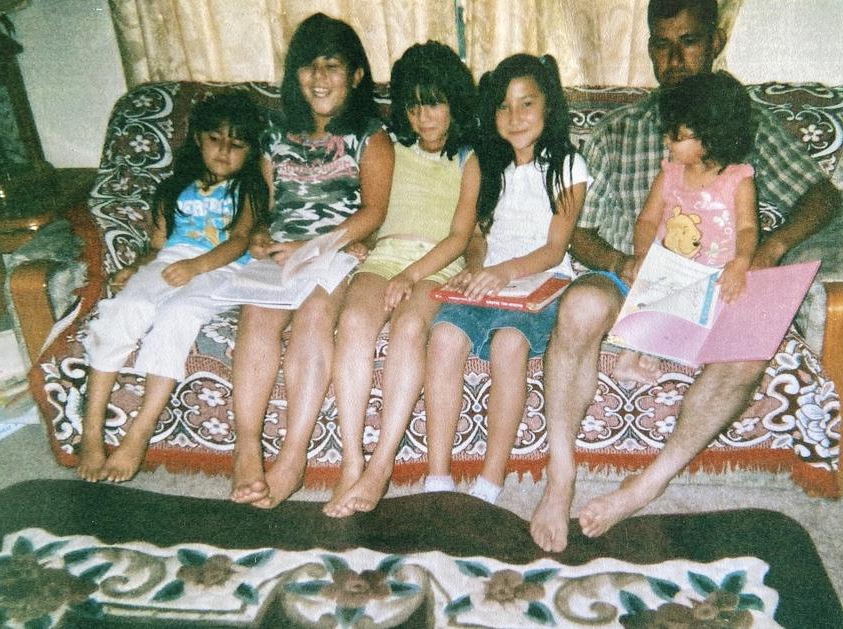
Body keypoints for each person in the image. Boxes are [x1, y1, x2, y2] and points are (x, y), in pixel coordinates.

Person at [530, 0, 840, 552]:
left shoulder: (742, 123)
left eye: (688, 41)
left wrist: (768, 249)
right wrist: (619, 260)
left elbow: (822, 194)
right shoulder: (618, 131)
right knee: (579, 307)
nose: (674, 58)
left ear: (716, 40)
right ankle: (560, 476)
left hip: (720, 280)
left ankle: (646, 484)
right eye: (661, 43)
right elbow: (570, 226)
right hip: (632, 276)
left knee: (751, 345)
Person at [228, 13, 394, 508]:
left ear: (356, 75)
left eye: (331, 66)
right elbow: (266, 205)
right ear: (293, 75)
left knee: (315, 317)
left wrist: (319, 245)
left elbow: (375, 210)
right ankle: (248, 448)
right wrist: (258, 235)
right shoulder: (276, 133)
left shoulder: (370, 135)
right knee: (256, 318)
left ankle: (294, 457)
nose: (319, 79)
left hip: (334, 250)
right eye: (308, 67)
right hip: (282, 250)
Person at [422, 53, 590, 507]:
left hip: (540, 282)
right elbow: (475, 236)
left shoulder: (568, 165)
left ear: (548, 107)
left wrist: (503, 273)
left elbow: (555, 249)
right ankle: (437, 474)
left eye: (526, 104)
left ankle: (490, 480)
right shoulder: (482, 163)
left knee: (508, 345)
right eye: (503, 106)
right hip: (490, 281)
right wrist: (478, 268)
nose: (514, 118)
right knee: (443, 336)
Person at [321, 41, 478, 518]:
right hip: (385, 256)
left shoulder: (469, 157)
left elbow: (459, 236)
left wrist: (413, 275)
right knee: (353, 322)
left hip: (437, 265)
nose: (423, 116)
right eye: (412, 105)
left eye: (434, 103)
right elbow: (368, 203)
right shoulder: (390, 145)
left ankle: (381, 464)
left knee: (411, 328)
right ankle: (352, 459)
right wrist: (358, 242)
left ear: (453, 101)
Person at [77, 91, 268, 483]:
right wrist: (134, 267)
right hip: (171, 261)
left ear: (250, 151)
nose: (224, 152)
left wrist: (197, 266)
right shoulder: (174, 187)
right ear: (198, 138)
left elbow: (239, 241)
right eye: (216, 139)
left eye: (237, 145)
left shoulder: (246, 189)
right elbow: (158, 246)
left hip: (222, 267)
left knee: (177, 315)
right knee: (125, 310)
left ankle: (140, 431)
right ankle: (91, 433)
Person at [613, 70, 757, 385]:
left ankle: (663, 349)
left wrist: (742, 261)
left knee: (732, 311)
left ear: (711, 136)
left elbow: (747, 228)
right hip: (670, 268)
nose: (667, 141)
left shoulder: (737, 180)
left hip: (716, 276)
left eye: (676, 136)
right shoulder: (671, 174)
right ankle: (629, 356)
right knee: (651, 292)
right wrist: (642, 257)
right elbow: (648, 220)